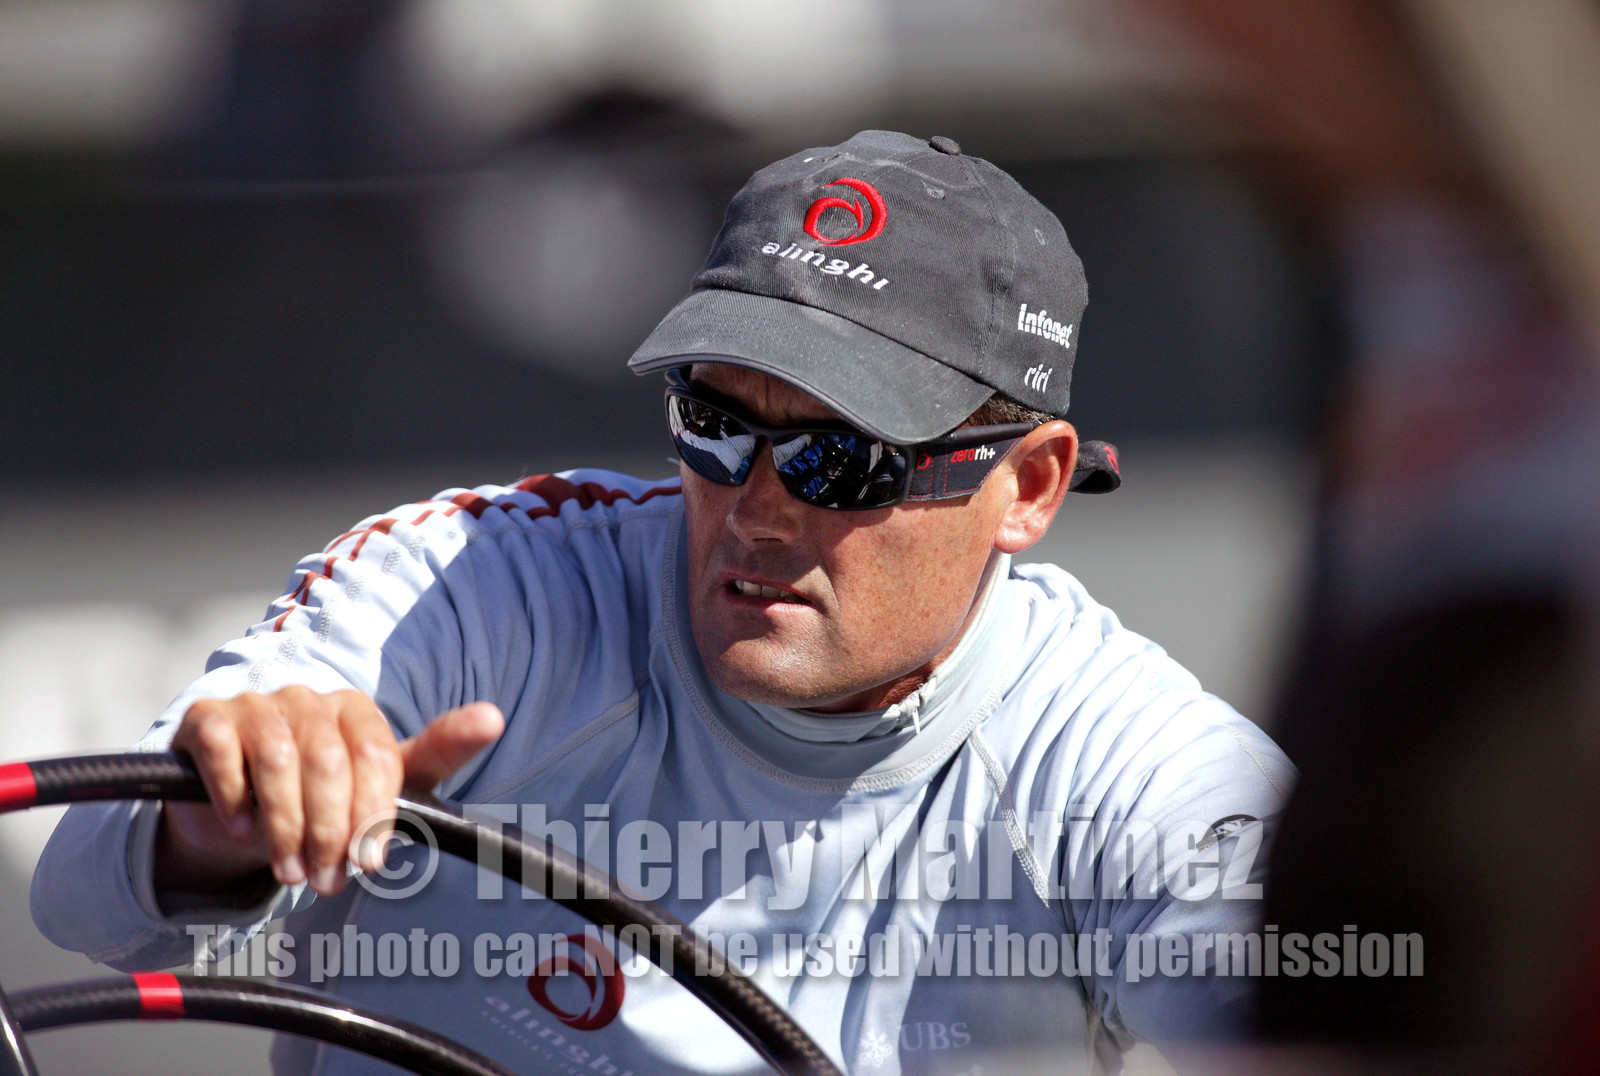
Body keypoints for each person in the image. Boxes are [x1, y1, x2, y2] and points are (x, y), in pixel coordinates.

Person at [31, 130, 1292, 1075]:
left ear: (1027, 485)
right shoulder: (488, 581)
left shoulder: (1121, 755)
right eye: (715, 421)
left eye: (839, 457)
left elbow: (1316, 990)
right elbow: (86, 894)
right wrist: (234, 812)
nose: (754, 505)